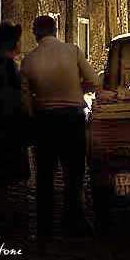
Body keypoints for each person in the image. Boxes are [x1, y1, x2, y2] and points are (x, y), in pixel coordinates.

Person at [20, 15, 104, 236]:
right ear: (55, 30)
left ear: (35, 33)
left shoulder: (29, 60)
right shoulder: (73, 51)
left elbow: (25, 100)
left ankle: (44, 226)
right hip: (72, 119)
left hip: (45, 120)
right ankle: (73, 221)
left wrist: (33, 118)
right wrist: (76, 90)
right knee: (74, 173)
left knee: (45, 175)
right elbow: (95, 81)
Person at [0, 22, 30, 187]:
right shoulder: (6, 66)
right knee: (6, 175)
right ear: (9, 43)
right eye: (16, 40)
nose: (19, 44)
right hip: (7, 128)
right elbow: (7, 98)